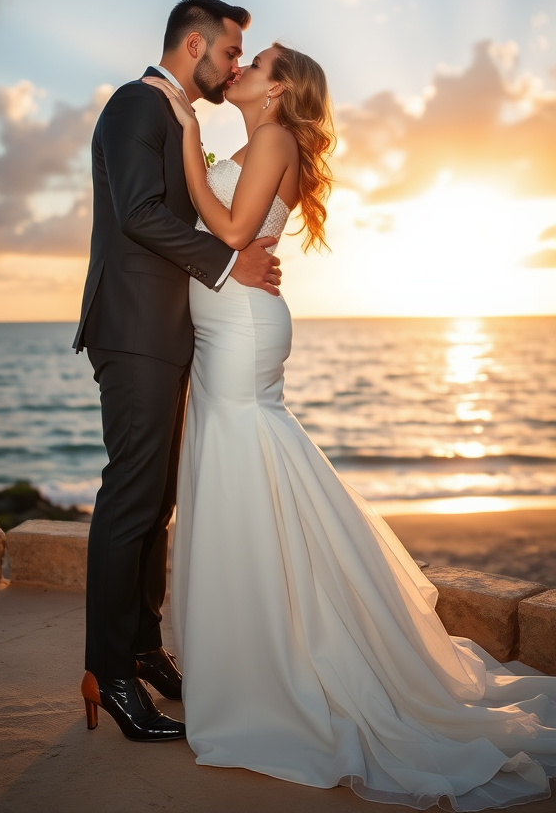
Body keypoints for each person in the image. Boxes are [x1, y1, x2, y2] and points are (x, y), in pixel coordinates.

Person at [146, 44, 556, 809]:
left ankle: (279, 667)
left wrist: (181, 143)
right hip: (223, 327)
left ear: (282, 89)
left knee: (248, 468)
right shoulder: (253, 140)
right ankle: (253, 656)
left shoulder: (273, 139)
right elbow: (224, 237)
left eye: (257, 61)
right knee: (238, 477)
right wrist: (195, 157)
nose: (241, 66)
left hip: (240, 331)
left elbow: (233, 234)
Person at [73, 0, 281, 742]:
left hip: (165, 332)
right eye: (229, 53)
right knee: (130, 498)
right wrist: (229, 262)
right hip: (131, 331)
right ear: (195, 46)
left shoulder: (176, 117)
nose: (233, 68)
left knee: (155, 500)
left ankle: (141, 647)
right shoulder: (137, 104)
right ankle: (110, 674)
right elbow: (136, 214)